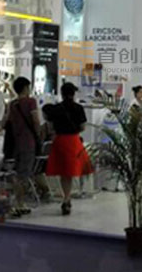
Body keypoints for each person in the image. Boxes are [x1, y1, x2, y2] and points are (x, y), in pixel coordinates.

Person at [43, 82, 93, 216]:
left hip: (60, 141)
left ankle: (66, 197)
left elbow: (50, 126)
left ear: (61, 93)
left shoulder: (56, 108)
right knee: (70, 171)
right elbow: (83, 127)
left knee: (63, 172)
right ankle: (67, 198)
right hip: (73, 141)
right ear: (73, 93)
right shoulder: (78, 108)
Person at [7, 77, 48, 216]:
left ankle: (16, 201)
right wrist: (38, 134)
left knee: (16, 172)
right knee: (24, 174)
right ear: (25, 88)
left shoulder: (12, 104)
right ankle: (20, 203)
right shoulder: (31, 102)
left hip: (15, 143)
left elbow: (7, 121)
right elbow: (35, 120)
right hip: (28, 142)